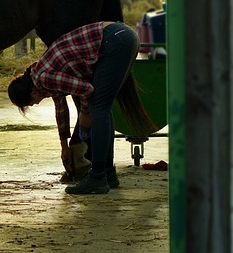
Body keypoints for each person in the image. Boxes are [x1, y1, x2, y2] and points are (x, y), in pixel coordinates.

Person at [8, 21, 157, 194]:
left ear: (32, 93)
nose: (35, 104)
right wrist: (64, 146)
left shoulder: (43, 78)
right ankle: (108, 174)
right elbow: (61, 110)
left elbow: (86, 89)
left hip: (114, 41)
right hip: (122, 37)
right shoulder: (40, 74)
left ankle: (97, 177)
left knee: (98, 107)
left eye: (31, 103)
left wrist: (84, 114)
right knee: (103, 107)